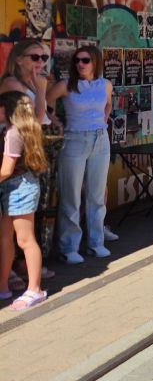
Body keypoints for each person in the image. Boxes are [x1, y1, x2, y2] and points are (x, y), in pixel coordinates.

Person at [46, 45, 112, 264]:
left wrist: (103, 120)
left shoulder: (105, 84)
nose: (80, 64)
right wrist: (55, 121)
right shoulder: (66, 85)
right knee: (71, 195)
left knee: (96, 195)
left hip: (100, 139)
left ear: (95, 62)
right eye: (77, 60)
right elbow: (46, 100)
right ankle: (69, 247)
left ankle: (96, 242)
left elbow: (108, 104)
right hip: (74, 139)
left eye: (85, 60)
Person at [0, 91, 49, 309]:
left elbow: (6, 169)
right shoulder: (20, 128)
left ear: (9, 109)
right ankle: (3, 286)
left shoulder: (13, 133)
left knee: (25, 240)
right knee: (5, 238)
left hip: (19, 187)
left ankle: (35, 289)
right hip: (17, 186)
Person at [0, 40, 50, 126]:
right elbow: (33, 122)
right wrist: (41, 90)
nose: (40, 61)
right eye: (35, 57)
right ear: (19, 60)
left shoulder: (31, 82)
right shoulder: (12, 83)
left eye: (44, 57)